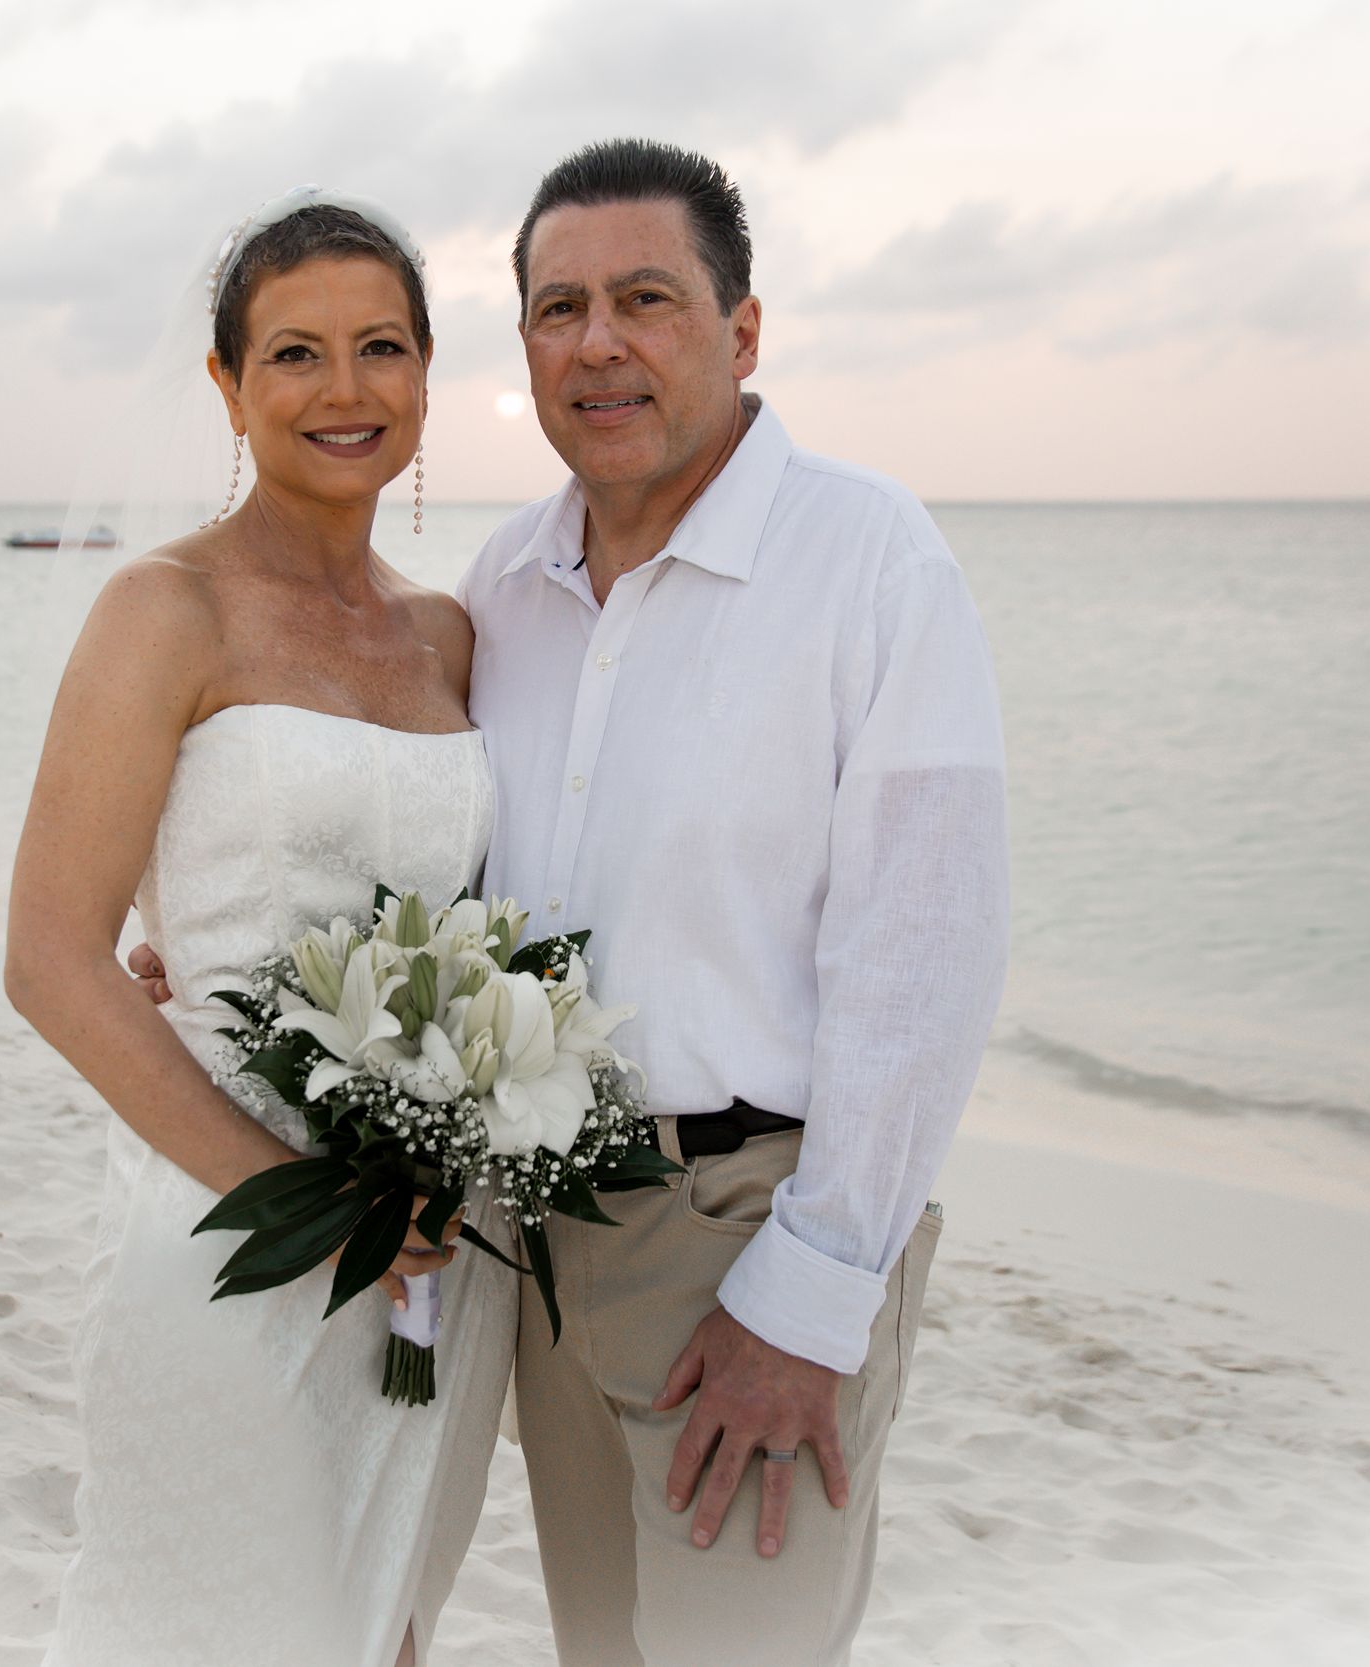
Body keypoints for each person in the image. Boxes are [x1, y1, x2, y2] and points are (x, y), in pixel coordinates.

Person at [125, 140, 1010, 1665]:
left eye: (647, 300)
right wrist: (227, 952)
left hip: (753, 1229)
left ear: (742, 333)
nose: (599, 342)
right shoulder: (505, 585)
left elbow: (923, 959)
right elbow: (452, 887)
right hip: (524, 1244)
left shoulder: (869, 561)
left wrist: (812, 1298)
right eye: (559, 307)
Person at [5, 190, 515, 1667]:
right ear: (227, 386)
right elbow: (49, 959)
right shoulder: (164, 611)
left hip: (431, 1247)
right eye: (295, 354)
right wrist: (309, 1201)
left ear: (427, 374)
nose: (344, 391)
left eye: (382, 348)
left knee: (383, 1626)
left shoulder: (447, 635)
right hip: (232, 1227)